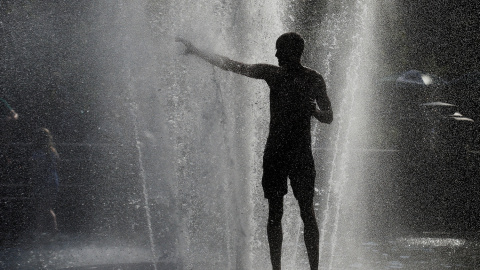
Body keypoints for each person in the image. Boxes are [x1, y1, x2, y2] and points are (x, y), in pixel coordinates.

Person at [176, 32, 333, 270]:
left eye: (280, 49)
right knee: (275, 213)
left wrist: (316, 112)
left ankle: (314, 269)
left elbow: (329, 116)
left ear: (294, 52)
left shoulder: (314, 79)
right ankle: (276, 269)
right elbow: (234, 66)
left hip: (300, 154)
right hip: (275, 154)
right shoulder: (274, 74)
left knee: (307, 211)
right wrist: (197, 51)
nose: (276, 54)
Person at [30, 128, 60, 235]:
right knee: (46, 207)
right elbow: (57, 164)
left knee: (42, 207)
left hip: (43, 181)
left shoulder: (38, 153)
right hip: (53, 180)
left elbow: (36, 168)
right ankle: (51, 230)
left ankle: (42, 230)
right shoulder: (52, 151)